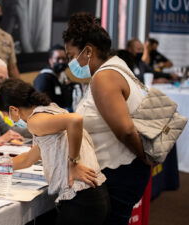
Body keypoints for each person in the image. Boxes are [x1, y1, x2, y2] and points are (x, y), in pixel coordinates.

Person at [0, 78, 110, 225]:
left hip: (82, 200)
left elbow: (75, 120)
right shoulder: (49, 112)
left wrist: (73, 163)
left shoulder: (35, 121)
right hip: (95, 196)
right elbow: (27, 159)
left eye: (5, 113)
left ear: (14, 109)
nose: (6, 118)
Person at [63, 13, 151, 225]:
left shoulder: (104, 77)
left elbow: (126, 130)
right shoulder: (116, 66)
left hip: (120, 172)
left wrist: (146, 156)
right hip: (123, 169)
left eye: (71, 55)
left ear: (89, 51)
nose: (70, 62)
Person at [33, 44, 74, 110]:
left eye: (64, 59)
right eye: (58, 59)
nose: (61, 62)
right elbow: (42, 104)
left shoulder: (63, 75)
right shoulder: (43, 78)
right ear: (50, 60)